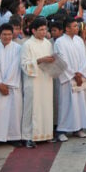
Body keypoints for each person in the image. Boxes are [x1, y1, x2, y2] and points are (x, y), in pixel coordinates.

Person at [21, 17, 56, 148]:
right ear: (33, 30)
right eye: (40, 30)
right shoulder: (27, 45)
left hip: (46, 79)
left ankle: (46, 134)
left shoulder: (47, 43)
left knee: (46, 106)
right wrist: (39, 60)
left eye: (45, 29)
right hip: (33, 81)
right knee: (33, 108)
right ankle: (29, 137)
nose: (43, 32)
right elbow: (24, 65)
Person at [54, 17, 86, 139]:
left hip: (79, 76)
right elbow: (62, 60)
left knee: (79, 103)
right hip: (68, 78)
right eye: (74, 26)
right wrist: (74, 74)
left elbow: (83, 57)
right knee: (66, 103)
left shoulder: (79, 40)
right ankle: (62, 130)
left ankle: (78, 128)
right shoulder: (59, 42)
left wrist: (80, 73)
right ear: (67, 28)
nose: (77, 28)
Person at [0, 23, 22, 144]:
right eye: (4, 34)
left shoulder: (18, 48)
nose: (7, 37)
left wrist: (7, 83)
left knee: (14, 112)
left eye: (9, 34)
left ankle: (14, 137)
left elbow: (16, 66)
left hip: (13, 85)